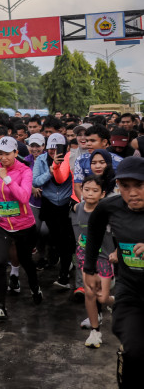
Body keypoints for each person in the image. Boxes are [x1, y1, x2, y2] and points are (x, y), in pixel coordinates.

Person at [84, 156, 144, 388]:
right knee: (135, 351)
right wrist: (89, 269)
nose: (132, 193)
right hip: (131, 292)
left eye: (139, 185)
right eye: (125, 186)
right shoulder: (110, 206)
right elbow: (94, 230)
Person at [0, 136, 42, 320]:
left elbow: (23, 197)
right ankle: (0, 307)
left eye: (7, 154)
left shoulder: (25, 171)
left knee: (26, 261)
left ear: (16, 153)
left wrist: (8, 179)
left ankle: (35, 288)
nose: (3, 158)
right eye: (0, 154)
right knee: (0, 262)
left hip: (23, 224)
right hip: (0, 223)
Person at [72, 175, 114, 348]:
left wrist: (117, 251)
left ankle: (119, 301)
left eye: (95, 190)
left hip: (104, 257)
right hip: (84, 257)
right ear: (81, 190)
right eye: (86, 189)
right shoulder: (77, 207)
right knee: (89, 293)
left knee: (102, 297)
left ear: (102, 194)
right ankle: (95, 331)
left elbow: (120, 231)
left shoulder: (108, 212)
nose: (90, 194)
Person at [34, 133, 75, 289]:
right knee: (57, 239)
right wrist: (50, 172)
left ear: (65, 148)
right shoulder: (41, 160)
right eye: (51, 147)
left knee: (66, 240)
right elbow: (35, 180)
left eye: (58, 148)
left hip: (67, 204)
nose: (54, 151)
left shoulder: (71, 159)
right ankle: (65, 262)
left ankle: (63, 275)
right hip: (49, 204)